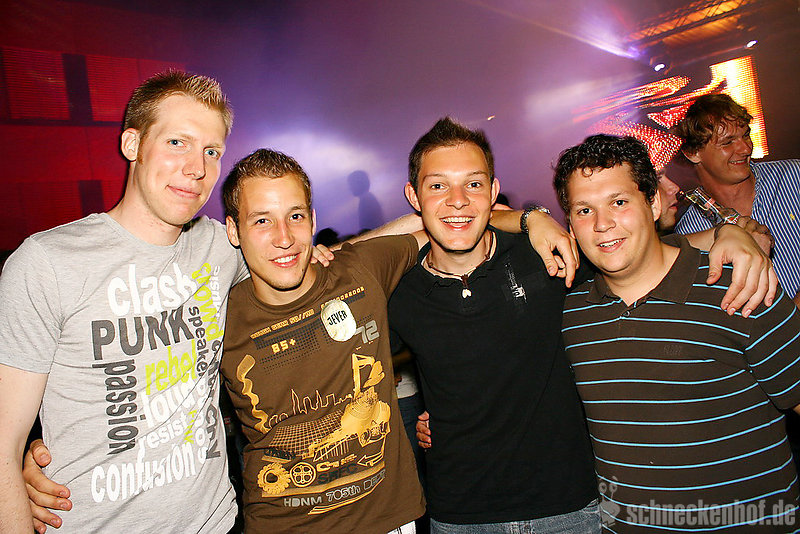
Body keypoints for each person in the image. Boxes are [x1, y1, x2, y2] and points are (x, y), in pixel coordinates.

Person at [396, 118, 779, 533]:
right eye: (438, 186)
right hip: (460, 516)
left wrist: (729, 233)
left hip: (572, 510)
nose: (457, 200)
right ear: (413, 196)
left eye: (473, 184)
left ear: (492, 192)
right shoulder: (399, 291)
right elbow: (351, 268)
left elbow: (635, 248)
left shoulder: (547, 257)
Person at [0, 71, 246, 532]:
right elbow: (3, 448)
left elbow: (308, 260)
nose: (197, 168)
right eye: (177, 142)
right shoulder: (46, 262)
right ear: (132, 144)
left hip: (216, 522)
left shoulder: (221, 246)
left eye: (211, 151)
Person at [554, 133, 800, 532]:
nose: (602, 224)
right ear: (570, 224)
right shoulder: (573, 314)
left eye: (619, 202)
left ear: (653, 203)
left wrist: (730, 230)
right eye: (584, 210)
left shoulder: (740, 288)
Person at [673, 93, 800, 306]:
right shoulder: (691, 232)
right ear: (693, 153)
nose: (745, 148)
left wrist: (794, 314)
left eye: (745, 135)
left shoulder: (792, 177)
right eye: (728, 142)